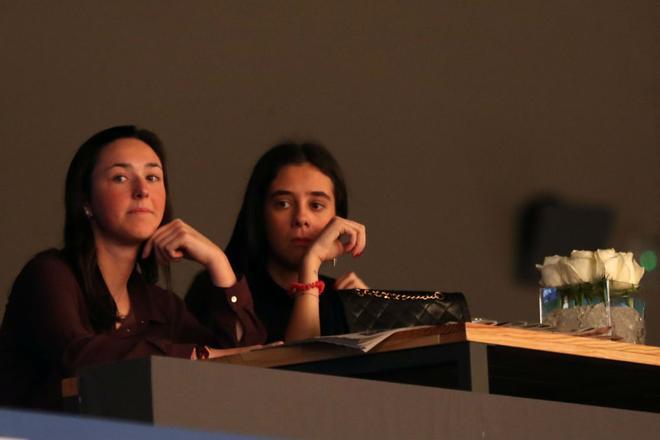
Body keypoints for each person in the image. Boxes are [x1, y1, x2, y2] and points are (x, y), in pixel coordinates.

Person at [0, 125, 266, 409]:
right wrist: (199, 356)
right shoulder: (49, 274)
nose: (142, 191)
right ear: (86, 201)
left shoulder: (161, 305)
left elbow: (241, 362)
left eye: (153, 177)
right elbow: (78, 356)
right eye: (121, 177)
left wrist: (218, 262)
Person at [186, 142, 367, 343]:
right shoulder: (222, 289)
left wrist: (369, 316)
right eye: (283, 204)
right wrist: (311, 262)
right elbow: (297, 369)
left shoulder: (342, 299)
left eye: (316, 205)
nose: (301, 218)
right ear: (260, 212)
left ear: (337, 216)